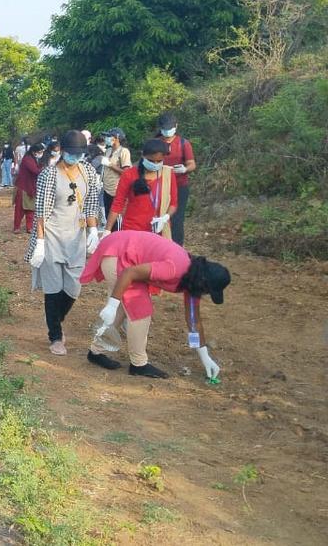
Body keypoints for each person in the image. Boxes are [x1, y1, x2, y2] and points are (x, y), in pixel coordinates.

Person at [83, 230, 230, 380]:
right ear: (203, 283)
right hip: (119, 253)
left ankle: (96, 352)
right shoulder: (175, 268)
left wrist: (205, 356)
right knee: (140, 310)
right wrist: (112, 304)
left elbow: (193, 321)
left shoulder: (193, 279)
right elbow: (129, 273)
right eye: (208, 291)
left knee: (122, 310)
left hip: (126, 255)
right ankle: (138, 364)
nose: (205, 294)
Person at [26, 130, 104, 355]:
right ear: (62, 151)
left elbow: (90, 204)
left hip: (76, 237)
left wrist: (92, 231)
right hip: (51, 235)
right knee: (53, 288)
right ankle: (55, 336)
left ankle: (55, 319)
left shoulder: (88, 171)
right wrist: (39, 243)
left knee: (73, 287)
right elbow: (41, 212)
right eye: (71, 154)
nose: (75, 158)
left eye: (79, 154)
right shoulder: (49, 174)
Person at [106, 139, 177, 237]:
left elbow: (173, 203)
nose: (155, 164)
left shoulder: (168, 174)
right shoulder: (129, 174)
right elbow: (118, 203)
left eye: (159, 161)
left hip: (158, 230)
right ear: (143, 156)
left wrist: (166, 217)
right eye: (151, 161)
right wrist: (107, 230)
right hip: (132, 229)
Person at [156, 113, 196, 245]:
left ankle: (177, 248)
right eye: (165, 128)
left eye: (170, 128)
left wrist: (184, 169)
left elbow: (192, 164)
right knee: (159, 217)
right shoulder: (155, 143)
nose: (167, 132)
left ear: (176, 127)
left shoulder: (183, 143)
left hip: (179, 186)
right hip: (159, 186)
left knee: (177, 220)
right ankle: (160, 245)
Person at [100, 128, 131, 229]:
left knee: (116, 219)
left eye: (109, 136)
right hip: (106, 189)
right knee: (108, 216)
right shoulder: (108, 151)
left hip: (117, 190)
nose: (107, 138)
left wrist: (110, 164)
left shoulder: (123, 151)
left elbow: (126, 173)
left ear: (117, 138)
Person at [13, 143, 45, 234]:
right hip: (23, 186)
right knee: (20, 208)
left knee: (30, 209)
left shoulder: (33, 159)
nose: (41, 154)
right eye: (40, 152)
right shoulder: (28, 159)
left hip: (30, 186)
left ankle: (29, 227)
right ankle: (17, 227)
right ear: (34, 152)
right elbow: (35, 171)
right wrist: (43, 169)